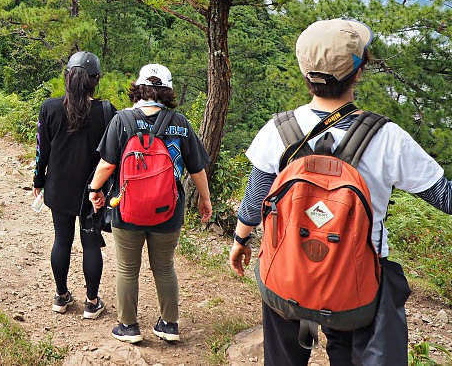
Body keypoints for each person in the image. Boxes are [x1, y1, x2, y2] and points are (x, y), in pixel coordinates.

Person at [229, 19, 452, 366]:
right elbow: (446, 198)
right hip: (358, 280)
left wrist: (241, 240)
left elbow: (256, 200)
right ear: (358, 73)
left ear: (305, 72)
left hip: (288, 267)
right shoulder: (387, 136)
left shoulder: (278, 129)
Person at [87, 63, 213, 344]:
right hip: (168, 210)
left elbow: (107, 165)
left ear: (139, 87)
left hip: (127, 208)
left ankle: (128, 327)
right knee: (165, 266)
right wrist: (205, 199)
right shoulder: (180, 122)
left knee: (127, 269)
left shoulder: (123, 120)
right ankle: (169, 324)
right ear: (167, 90)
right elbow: (197, 169)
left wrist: (94, 189)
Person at [34, 51, 117, 320]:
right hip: (93, 191)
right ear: (96, 80)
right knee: (91, 243)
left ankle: (61, 296)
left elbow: (41, 150)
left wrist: (38, 180)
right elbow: (111, 157)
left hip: (58, 186)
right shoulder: (106, 112)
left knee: (62, 239)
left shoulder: (50, 107)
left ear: (67, 78)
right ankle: (92, 303)